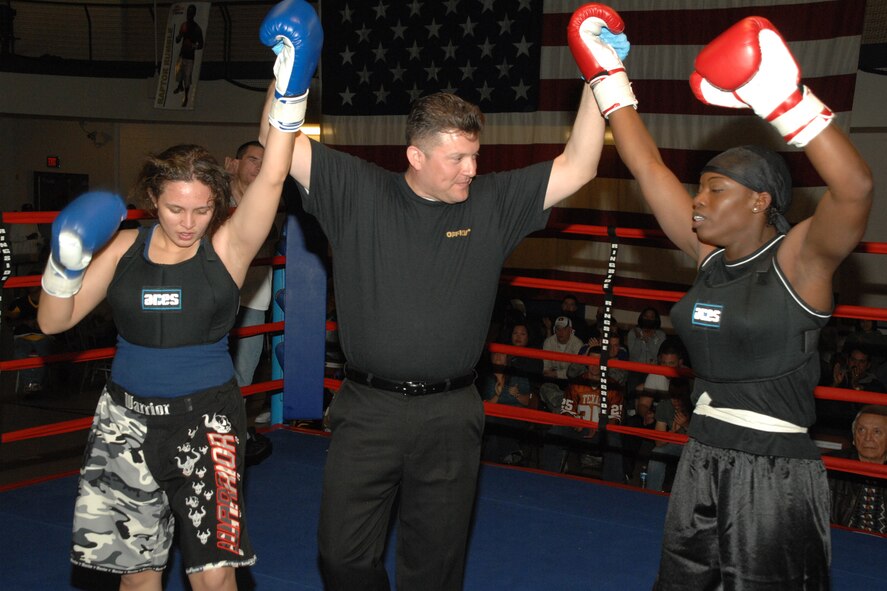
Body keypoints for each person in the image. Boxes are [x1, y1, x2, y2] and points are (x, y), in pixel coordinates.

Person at [259, 2, 613, 587]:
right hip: (368, 409)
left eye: (475, 154)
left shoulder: (491, 203)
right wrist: (287, 72)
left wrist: (597, 78)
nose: (471, 168)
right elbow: (279, 145)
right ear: (416, 156)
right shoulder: (358, 191)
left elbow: (578, 165)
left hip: (452, 413)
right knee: (342, 556)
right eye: (457, 158)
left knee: (436, 569)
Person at [575, 8, 872, 588]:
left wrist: (784, 100)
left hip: (774, 473)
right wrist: (607, 75)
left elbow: (855, 189)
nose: (699, 199)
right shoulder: (708, 258)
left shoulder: (798, 260)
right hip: (703, 455)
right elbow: (647, 165)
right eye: (701, 187)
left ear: (761, 201)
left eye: (716, 188)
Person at [35, 1, 313, 587]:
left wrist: (290, 86)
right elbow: (55, 322)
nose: (187, 221)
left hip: (205, 421)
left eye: (201, 208)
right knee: (138, 576)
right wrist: (63, 263)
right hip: (124, 424)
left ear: (217, 205)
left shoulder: (229, 247)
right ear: (152, 200)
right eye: (175, 208)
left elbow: (270, 175)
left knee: (214, 575)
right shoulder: (123, 248)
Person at [540, 344, 625, 482]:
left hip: (601, 431)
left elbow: (615, 418)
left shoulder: (614, 386)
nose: (595, 366)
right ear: (587, 361)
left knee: (614, 439)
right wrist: (576, 421)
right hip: (579, 428)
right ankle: (548, 478)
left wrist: (598, 426)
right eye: (592, 361)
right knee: (554, 432)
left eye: (599, 362)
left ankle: (613, 485)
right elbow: (567, 411)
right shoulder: (577, 383)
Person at [827, 405, 887, 534]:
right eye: (861, 430)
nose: (867, 438)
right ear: (854, 438)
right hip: (843, 540)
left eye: (877, 432)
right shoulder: (831, 467)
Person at [645, 377, 692, 492]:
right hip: (674, 444)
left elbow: (703, 439)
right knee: (657, 453)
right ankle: (652, 494)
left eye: (679, 398)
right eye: (673, 397)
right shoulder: (665, 405)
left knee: (694, 457)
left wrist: (686, 425)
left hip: (692, 445)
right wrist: (672, 432)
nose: (675, 401)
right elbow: (659, 442)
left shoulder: (696, 407)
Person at [173, 4, 205, 107]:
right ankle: (179, 86)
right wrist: (178, 37)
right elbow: (178, 38)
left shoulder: (197, 29)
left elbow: (201, 45)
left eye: (191, 13)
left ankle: (186, 97)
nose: (189, 15)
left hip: (190, 57)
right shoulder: (183, 25)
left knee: (187, 76)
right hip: (182, 54)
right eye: (188, 13)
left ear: (194, 14)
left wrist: (192, 46)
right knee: (179, 72)